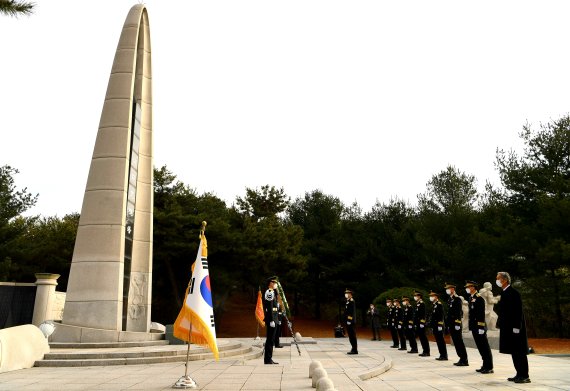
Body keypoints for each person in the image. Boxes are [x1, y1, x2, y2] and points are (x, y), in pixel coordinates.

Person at [496, 271, 531, 384]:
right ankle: (519, 374)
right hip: (508, 328)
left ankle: (525, 375)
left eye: (498, 278)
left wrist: (517, 327)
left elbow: (518, 311)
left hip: (515, 328)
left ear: (504, 280)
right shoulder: (505, 292)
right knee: (514, 351)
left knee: (519, 352)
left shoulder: (514, 293)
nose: (497, 280)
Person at [466, 280, 493, 373]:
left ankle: (489, 367)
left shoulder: (479, 298)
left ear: (473, 287)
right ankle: (485, 365)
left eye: (468, 287)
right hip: (474, 326)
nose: (467, 289)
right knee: (480, 347)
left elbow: (481, 314)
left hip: (479, 327)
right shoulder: (471, 298)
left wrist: (481, 327)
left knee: (484, 347)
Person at [445, 282, 468, 366]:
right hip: (451, 324)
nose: (447, 290)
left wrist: (457, 323)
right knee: (456, 342)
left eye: (448, 289)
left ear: (452, 289)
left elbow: (459, 312)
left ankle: (464, 359)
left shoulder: (457, 299)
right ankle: (461, 358)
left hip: (456, 324)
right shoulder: (450, 299)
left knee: (459, 342)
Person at [263, 276, 279, 364]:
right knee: (270, 339)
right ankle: (267, 359)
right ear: (270, 283)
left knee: (271, 339)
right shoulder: (269, 292)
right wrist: (272, 320)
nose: (275, 284)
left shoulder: (273, 292)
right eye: (273, 282)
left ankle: (269, 358)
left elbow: (275, 306)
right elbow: (269, 307)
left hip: (274, 318)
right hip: (271, 319)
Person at [429, 290, 448, 360]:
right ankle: (441, 355)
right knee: (438, 341)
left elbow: (441, 316)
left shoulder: (439, 304)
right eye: (430, 296)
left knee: (441, 341)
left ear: (436, 297)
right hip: (435, 326)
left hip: (438, 326)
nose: (430, 297)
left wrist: (440, 325)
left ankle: (444, 355)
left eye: (432, 296)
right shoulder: (434, 305)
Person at [414, 290, 430, 357]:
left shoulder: (422, 303)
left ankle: (427, 351)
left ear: (419, 296)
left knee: (423, 337)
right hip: (418, 323)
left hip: (421, 323)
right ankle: (424, 351)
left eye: (416, 296)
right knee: (421, 337)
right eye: (414, 296)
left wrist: (422, 322)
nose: (415, 297)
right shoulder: (418, 304)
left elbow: (423, 314)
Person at [344, 289, 358, 354]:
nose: (346, 294)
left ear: (350, 294)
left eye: (347, 293)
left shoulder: (352, 301)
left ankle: (355, 350)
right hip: (348, 321)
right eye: (345, 293)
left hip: (351, 321)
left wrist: (349, 320)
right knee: (350, 336)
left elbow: (351, 312)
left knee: (352, 335)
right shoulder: (348, 301)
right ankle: (353, 348)